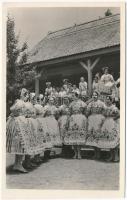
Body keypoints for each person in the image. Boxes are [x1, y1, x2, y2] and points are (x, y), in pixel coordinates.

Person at [6, 88, 29, 173]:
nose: (27, 97)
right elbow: (14, 110)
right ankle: (18, 164)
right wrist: (17, 114)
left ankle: (17, 164)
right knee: (21, 143)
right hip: (18, 123)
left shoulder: (20, 102)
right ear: (23, 95)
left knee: (21, 144)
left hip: (20, 122)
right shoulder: (19, 102)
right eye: (26, 95)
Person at [64, 92, 87, 159]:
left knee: (79, 136)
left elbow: (85, 111)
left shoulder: (82, 103)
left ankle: (79, 153)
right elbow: (69, 113)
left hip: (80, 118)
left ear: (77, 96)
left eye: (73, 96)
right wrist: (67, 122)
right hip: (72, 119)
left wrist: (83, 118)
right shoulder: (71, 104)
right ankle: (75, 153)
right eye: (72, 96)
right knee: (73, 136)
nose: (72, 97)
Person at [98, 96, 120, 162]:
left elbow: (119, 115)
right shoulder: (106, 108)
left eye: (108, 100)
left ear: (111, 101)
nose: (107, 101)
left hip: (112, 124)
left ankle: (116, 156)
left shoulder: (114, 107)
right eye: (106, 99)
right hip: (106, 123)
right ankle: (111, 156)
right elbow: (104, 115)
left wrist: (113, 119)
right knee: (109, 140)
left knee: (114, 139)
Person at [86, 91, 106, 160]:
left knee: (98, 136)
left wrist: (103, 117)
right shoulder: (90, 103)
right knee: (92, 137)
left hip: (99, 119)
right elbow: (87, 112)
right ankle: (95, 153)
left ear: (98, 96)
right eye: (93, 95)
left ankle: (99, 153)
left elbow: (105, 110)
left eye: (95, 95)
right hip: (92, 119)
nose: (94, 96)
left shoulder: (101, 103)